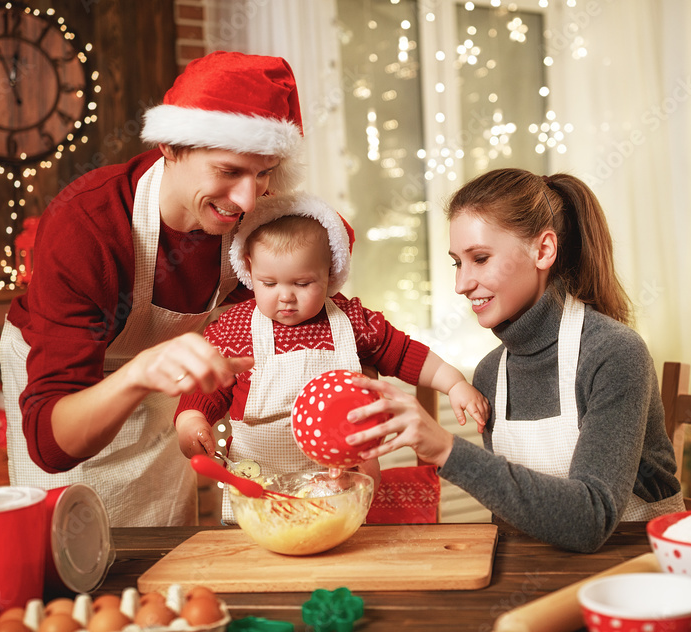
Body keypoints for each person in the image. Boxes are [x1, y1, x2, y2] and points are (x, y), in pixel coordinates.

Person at [0, 51, 307, 527]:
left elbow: (303, 295)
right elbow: (49, 444)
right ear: (170, 146)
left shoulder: (256, 223)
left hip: (164, 389)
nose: (248, 199)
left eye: (263, 172)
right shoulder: (87, 226)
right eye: (228, 171)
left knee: (160, 543)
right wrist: (141, 372)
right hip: (68, 397)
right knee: (66, 546)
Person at [344, 169, 685, 553]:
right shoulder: (492, 373)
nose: (461, 284)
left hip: (636, 574)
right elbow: (515, 517)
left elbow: (591, 521)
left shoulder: (614, 354)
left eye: (481, 258)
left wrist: (446, 449)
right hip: (535, 571)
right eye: (458, 262)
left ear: (543, 251)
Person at [175, 192, 489, 521]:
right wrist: (191, 420)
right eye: (268, 283)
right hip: (259, 494)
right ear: (249, 269)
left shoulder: (352, 321)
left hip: (342, 486)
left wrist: (453, 384)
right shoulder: (235, 329)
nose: (285, 297)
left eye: (302, 282)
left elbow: (407, 354)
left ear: (330, 274)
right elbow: (207, 385)